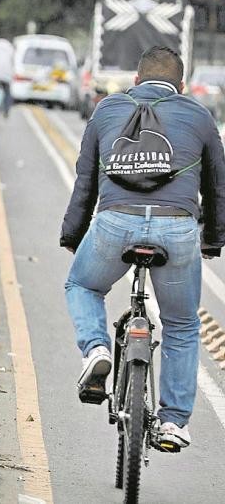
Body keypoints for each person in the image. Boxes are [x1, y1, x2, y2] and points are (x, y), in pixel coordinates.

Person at [61, 46, 225, 452]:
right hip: (177, 228)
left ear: (135, 80)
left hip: (115, 223)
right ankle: (172, 423)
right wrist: (213, 240)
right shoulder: (200, 115)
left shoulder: (106, 109)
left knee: (82, 285)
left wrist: (73, 235)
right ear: (181, 86)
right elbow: (217, 187)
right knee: (182, 325)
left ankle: (96, 348)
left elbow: (86, 181)